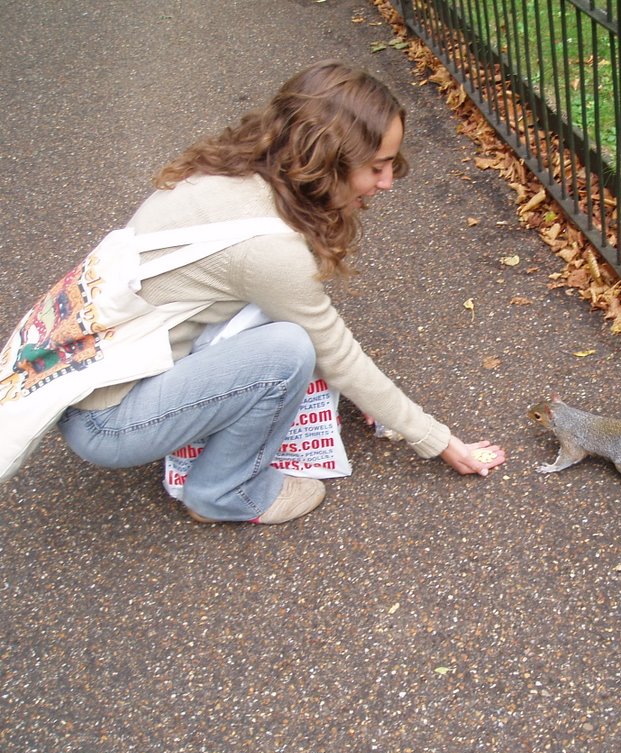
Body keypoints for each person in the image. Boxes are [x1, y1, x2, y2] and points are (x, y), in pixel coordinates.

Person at [56, 60, 506, 525]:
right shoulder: (269, 250)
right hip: (108, 424)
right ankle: (224, 493)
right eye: (377, 166)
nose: (389, 182)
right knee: (289, 350)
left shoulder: (228, 174)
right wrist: (439, 440)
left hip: (78, 378)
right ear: (326, 161)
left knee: (286, 323)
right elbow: (336, 351)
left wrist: (373, 402)